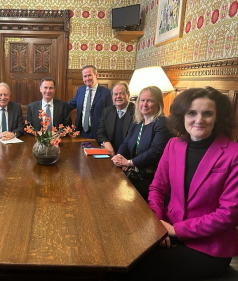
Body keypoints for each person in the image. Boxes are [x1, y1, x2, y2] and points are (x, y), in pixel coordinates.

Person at [126, 87, 238, 280]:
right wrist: (158, 226)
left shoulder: (233, 154)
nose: (199, 119)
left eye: (208, 113)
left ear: (217, 118)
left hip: (208, 247)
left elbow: (228, 215)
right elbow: (157, 188)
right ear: (182, 116)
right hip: (167, 230)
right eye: (192, 113)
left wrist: (175, 230)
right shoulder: (174, 145)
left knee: (135, 268)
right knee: (124, 251)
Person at [112, 86, 171, 200]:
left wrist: (129, 162)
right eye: (142, 100)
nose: (145, 104)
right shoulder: (137, 122)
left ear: (158, 103)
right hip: (134, 172)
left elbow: (155, 152)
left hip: (150, 178)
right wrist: (119, 156)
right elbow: (125, 143)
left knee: (118, 194)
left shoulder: (162, 123)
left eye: (150, 101)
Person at [68, 65, 112, 139]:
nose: (87, 78)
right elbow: (70, 105)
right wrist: (56, 107)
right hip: (81, 132)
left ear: (96, 75)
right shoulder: (80, 90)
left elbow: (110, 115)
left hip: (99, 134)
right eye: (85, 76)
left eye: (89, 75)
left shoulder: (107, 93)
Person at [96, 81, 135, 156]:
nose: (118, 97)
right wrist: (105, 142)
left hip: (129, 157)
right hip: (110, 154)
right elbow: (100, 133)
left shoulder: (137, 112)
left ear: (128, 95)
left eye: (121, 93)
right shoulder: (107, 111)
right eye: (115, 94)